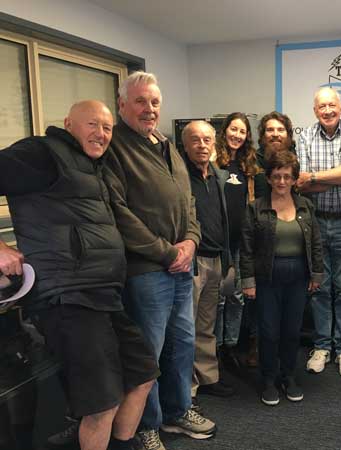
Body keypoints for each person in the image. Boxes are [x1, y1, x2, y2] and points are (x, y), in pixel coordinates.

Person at [0, 100, 158, 450]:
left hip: (105, 295)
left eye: (107, 127)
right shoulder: (42, 153)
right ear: (69, 124)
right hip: (69, 298)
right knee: (102, 403)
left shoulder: (93, 166)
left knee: (143, 375)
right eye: (92, 124)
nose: (101, 133)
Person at [103, 72, 214, 450]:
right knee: (147, 354)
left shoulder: (166, 145)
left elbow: (189, 202)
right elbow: (118, 212)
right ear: (122, 104)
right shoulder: (115, 147)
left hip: (181, 266)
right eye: (140, 101)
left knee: (182, 344)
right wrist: (167, 252)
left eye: (154, 102)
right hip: (147, 270)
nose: (149, 109)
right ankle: (144, 425)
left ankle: (177, 411)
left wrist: (191, 241)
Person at [240, 151, 323, 405]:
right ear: (268, 178)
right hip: (267, 278)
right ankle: (268, 379)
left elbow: (315, 242)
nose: (282, 181)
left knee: (291, 331)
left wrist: (316, 274)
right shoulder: (255, 208)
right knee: (268, 331)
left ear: (295, 179)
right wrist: (248, 281)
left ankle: (288, 376)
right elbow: (247, 248)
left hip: (298, 277)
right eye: (276, 176)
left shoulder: (305, 206)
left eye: (287, 176)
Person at [296, 87, 341, 378]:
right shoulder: (304, 137)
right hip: (315, 224)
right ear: (315, 110)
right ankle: (322, 346)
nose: (327, 111)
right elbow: (301, 185)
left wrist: (316, 176)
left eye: (332, 105)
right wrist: (338, 176)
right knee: (320, 288)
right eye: (322, 106)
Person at [181, 121, 235, 399]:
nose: (202, 145)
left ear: (214, 144)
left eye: (206, 140)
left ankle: (207, 377)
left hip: (215, 259)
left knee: (206, 325)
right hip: (192, 262)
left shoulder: (217, 176)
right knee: (186, 327)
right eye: (195, 140)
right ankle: (186, 389)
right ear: (185, 144)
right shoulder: (178, 176)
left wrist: (227, 258)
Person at [213, 112, 262, 368]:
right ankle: (216, 348)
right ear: (224, 131)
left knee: (237, 296)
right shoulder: (213, 161)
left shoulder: (248, 166)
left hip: (240, 242)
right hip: (218, 242)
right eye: (233, 129)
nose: (237, 135)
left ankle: (231, 345)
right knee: (218, 298)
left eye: (242, 131)